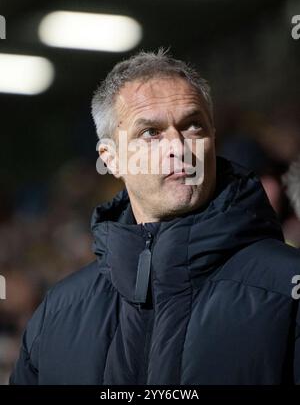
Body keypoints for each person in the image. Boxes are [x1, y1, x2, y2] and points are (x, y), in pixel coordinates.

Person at [10, 49, 300, 385]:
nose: (178, 147)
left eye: (193, 126)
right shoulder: (57, 313)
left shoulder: (287, 287)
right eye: (151, 133)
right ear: (111, 158)